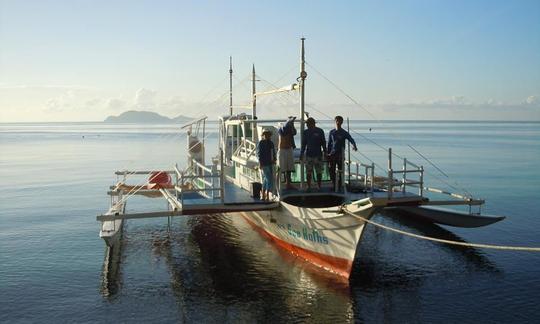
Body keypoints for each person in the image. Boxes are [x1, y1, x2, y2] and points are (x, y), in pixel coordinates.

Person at [327, 115, 357, 191]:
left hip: (340, 154)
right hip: (332, 154)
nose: (338, 122)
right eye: (337, 120)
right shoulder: (332, 132)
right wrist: (327, 153)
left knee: (341, 170)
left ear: (342, 122)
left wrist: (354, 146)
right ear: (335, 121)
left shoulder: (344, 132)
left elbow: (351, 139)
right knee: (331, 170)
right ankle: (334, 184)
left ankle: (340, 185)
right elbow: (329, 144)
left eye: (340, 121)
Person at [300, 117, 326, 191]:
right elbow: (303, 144)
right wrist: (301, 154)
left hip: (318, 155)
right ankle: (309, 186)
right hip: (309, 155)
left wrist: (325, 152)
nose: (307, 125)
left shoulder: (320, 131)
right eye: (307, 124)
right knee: (308, 172)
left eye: (308, 124)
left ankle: (319, 186)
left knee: (319, 172)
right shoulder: (305, 132)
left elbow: (323, 142)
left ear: (313, 123)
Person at [256, 129, 276, 201]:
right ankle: (267, 194)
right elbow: (259, 154)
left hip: (270, 163)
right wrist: (260, 163)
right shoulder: (261, 143)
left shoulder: (271, 143)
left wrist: (274, 159)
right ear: (263, 136)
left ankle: (263, 193)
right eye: (265, 135)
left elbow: (273, 152)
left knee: (265, 179)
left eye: (268, 135)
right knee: (269, 179)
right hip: (264, 163)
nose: (267, 136)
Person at [278, 116, 297, 189]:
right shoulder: (281, 128)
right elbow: (283, 131)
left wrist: (292, 124)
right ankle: (280, 184)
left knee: (289, 168)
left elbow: (294, 132)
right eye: (291, 122)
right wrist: (289, 123)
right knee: (281, 167)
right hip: (282, 149)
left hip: (289, 149)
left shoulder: (290, 130)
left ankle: (288, 184)